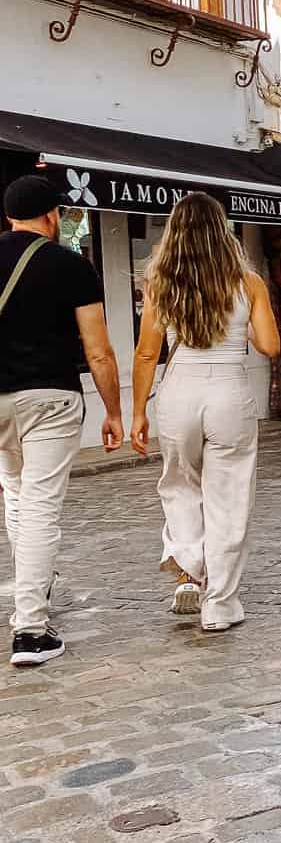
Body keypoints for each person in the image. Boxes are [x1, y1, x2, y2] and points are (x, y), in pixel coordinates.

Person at [128, 193, 280, 632]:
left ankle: (191, 565)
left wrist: (138, 411)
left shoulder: (161, 281)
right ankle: (220, 604)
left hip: (179, 392)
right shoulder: (248, 283)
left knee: (178, 485)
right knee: (229, 497)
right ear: (223, 231)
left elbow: (145, 354)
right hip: (229, 392)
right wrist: (245, 321)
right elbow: (269, 346)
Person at [1, 175, 124, 666]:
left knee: (15, 492)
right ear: (53, 215)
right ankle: (30, 629)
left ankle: (35, 582)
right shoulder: (72, 265)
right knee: (40, 507)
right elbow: (98, 351)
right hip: (48, 399)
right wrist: (114, 410)